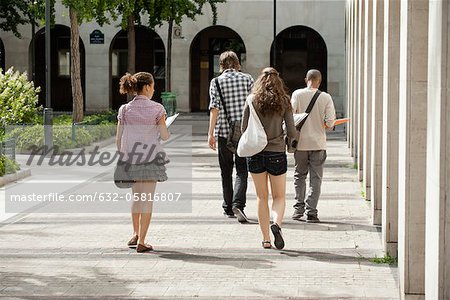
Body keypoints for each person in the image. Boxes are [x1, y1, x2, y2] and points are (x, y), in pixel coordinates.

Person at [241, 67, 297, 249]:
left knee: (261, 196)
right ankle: (277, 224)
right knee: (279, 196)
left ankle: (265, 239)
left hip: (256, 153)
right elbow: (291, 131)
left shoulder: (251, 100)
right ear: (278, 82)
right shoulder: (284, 101)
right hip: (276, 153)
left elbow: (244, 128)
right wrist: (290, 144)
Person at [116, 72, 170, 253]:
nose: (154, 90)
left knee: (137, 197)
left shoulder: (124, 109)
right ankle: (143, 241)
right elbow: (164, 135)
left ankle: (135, 233)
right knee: (147, 199)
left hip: (131, 159)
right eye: (153, 86)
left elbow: (118, 138)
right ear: (147, 87)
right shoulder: (157, 109)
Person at [208, 51, 254, 222]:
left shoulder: (216, 82)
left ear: (221, 65)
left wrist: (210, 133)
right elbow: (253, 105)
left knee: (225, 171)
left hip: (223, 132)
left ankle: (228, 207)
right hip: (244, 131)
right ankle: (238, 204)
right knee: (242, 170)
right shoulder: (248, 79)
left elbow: (214, 108)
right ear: (237, 63)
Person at [291, 69, 336, 223]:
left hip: (300, 143)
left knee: (299, 176)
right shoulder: (326, 97)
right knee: (316, 179)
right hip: (318, 143)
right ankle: (311, 212)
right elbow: (330, 123)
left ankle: (298, 209)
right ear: (320, 80)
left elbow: (290, 118)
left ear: (306, 79)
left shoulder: (297, 94)